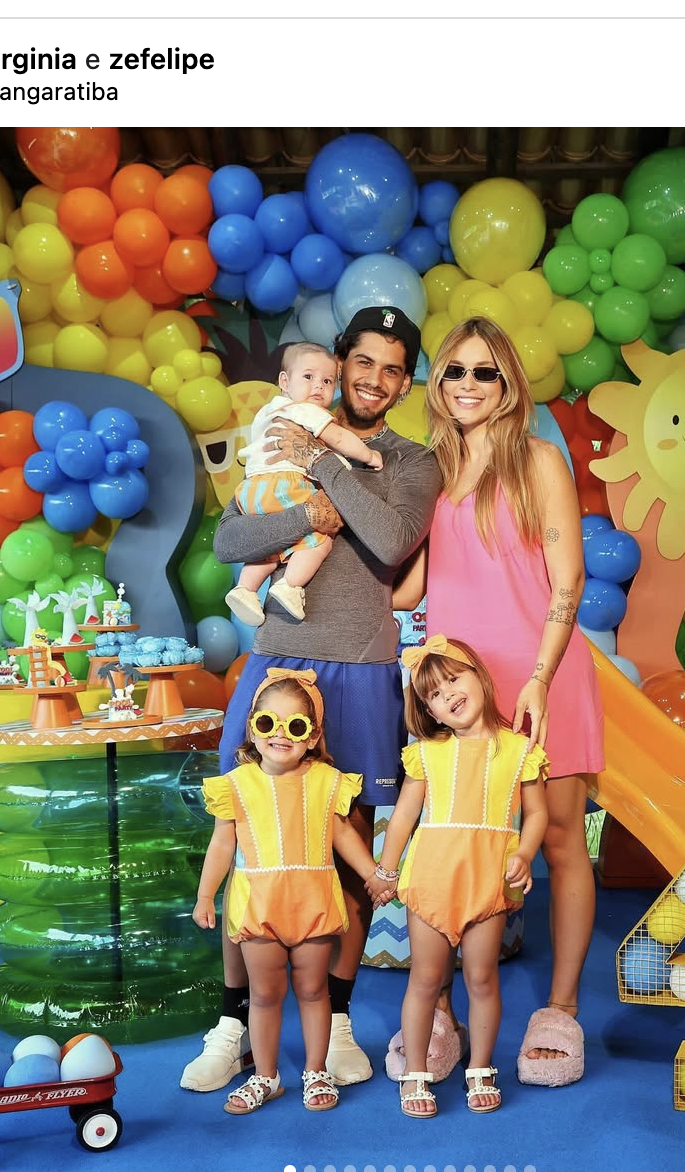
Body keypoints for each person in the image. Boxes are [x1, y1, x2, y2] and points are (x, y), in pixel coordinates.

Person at [180, 304, 441, 1095]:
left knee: (348, 844)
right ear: (338, 361)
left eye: (393, 368)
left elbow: (391, 542)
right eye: (363, 361)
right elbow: (230, 542)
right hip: (276, 658)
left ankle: (343, 1020)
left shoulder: (413, 461)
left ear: (406, 383)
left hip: (360, 666)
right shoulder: (277, 429)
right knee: (251, 840)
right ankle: (233, 1025)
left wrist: (324, 462)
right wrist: (300, 510)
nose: (374, 379)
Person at [390, 316, 605, 1088]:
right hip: (456, 686)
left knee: (560, 841)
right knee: (448, 843)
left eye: (486, 371)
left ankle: (561, 1010)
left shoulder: (539, 459)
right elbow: (410, 587)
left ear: (509, 383)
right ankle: (440, 1015)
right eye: (455, 371)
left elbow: (568, 579)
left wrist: (540, 677)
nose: (469, 385)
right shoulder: (429, 470)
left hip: (543, 675)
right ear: (438, 385)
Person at [367, 637, 547, 1117]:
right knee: (425, 979)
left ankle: (481, 1066)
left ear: (479, 676)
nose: (447, 695)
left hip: (488, 879)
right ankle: (416, 1071)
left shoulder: (520, 750)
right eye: (433, 694)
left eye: (453, 679)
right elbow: (403, 817)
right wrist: (386, 871)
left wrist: (525, 852)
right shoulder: (428, 753)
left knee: (482, 978)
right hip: (432, 878)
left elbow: (536, 815)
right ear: (429, 712)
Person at [192, 667, 379, 1114]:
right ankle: (266, 1075)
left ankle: (316, 1070)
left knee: (314, 991)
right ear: (252, 729)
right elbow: (222, 844)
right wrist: (205, 895)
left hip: (313, 904)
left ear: (312, 737)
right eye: (267, 723)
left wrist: (373, 873)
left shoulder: (326, 781)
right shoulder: (236, 785)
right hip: (258, 906)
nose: (280, 734)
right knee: (264, 994)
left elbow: (343, 835)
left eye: (294, 726)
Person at [226, 341, 384, 627]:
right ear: (284, 382)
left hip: (250, 491)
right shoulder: (305, 411)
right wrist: (368, 455)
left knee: (272, 546)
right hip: (286, 484)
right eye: (308, 377)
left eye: (327, 381)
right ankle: (291, 586)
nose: (319, 386)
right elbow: (338, 438)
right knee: (318, 539)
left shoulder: (267, 412)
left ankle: (245, 589)